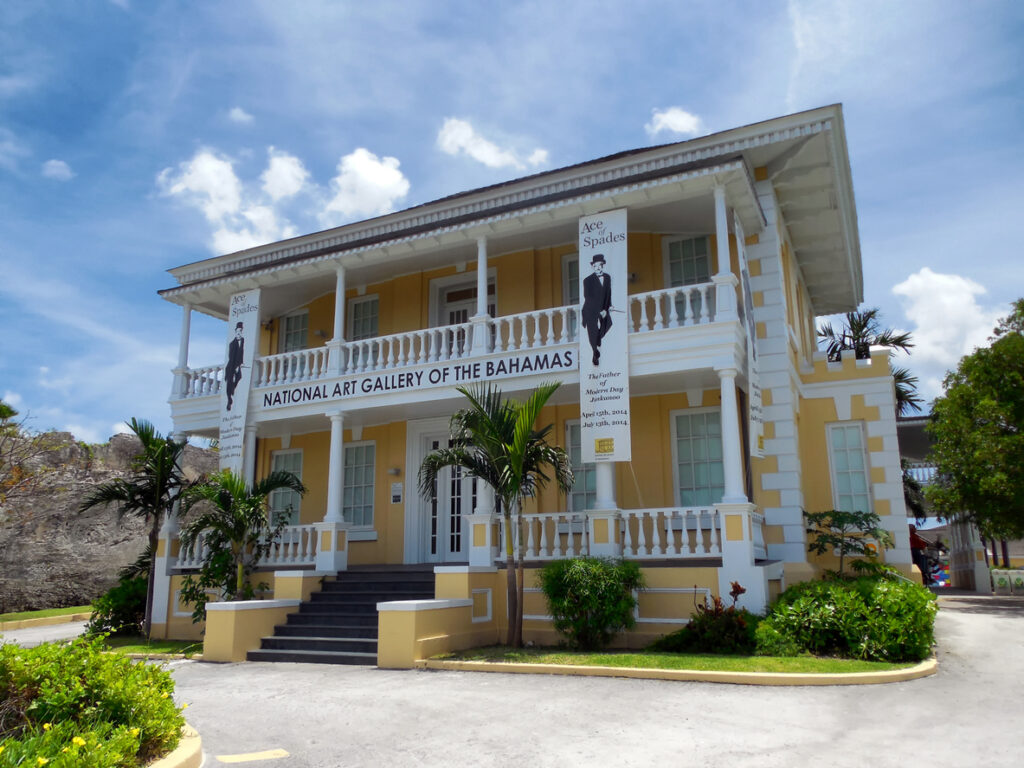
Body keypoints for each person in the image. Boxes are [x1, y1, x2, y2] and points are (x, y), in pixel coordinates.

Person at [581, 253, 613, 366]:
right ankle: (595, 353)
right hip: (590, 309)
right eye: (595, 266)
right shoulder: (587, 280)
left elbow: (608, 294)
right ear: (592, 267)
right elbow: (587, 297)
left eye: (600, 265)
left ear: (603, 265)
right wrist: (599, 310)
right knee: (592, 331)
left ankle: (598, 339)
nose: (598, 268)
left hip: (602, 308)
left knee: (608, 323)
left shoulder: (607, 277)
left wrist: (608, 307)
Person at [225, 322, 245, 411]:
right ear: (235, 332)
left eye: (240, 331)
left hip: (238, 365)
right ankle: (229, 400)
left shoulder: (244, 341)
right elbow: (231, 358)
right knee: (230, 381)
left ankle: (232, 391)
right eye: (237, 331)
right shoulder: (232, 344)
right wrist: (236, 366)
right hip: (231, 365)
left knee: (239, 377)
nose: (238, 333)